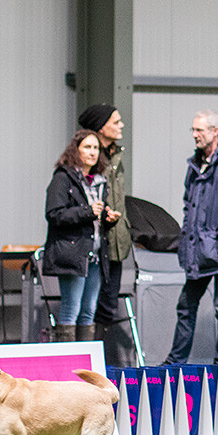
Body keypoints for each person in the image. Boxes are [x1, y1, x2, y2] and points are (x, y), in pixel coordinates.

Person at [163, 110, 218, 379]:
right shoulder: (195, 165)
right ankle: (174, 363)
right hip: (199, 252)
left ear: (215, 132)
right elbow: (189, 207)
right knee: (186, 307)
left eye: (199, 130)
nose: (194, 135)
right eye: (193, 130)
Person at [43, 129, 122, 342]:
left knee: (89, 310)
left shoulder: (98, 180)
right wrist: (88, 211)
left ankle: (85, 365)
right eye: (87, 147)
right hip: (72, 254)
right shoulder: (62, 178)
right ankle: (66, 362)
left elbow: (93, 216)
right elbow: (54, 214)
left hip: (95, 256)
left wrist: (107, 217)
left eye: (96, 148)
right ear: (75, 150)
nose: (93, 152)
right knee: (72, 308)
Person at [77, 104, 131, 342]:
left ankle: (101, 362)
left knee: (108, 304)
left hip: (115, 242)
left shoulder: (117, 156)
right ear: (101, 127)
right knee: (87, 306)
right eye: (115, 121)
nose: (121, 126)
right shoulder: (85, 159)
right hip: (94, 243)